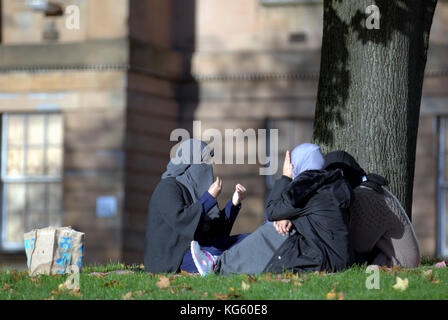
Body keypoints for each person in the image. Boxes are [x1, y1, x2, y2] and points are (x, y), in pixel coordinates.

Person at [190, 143, 355, 275]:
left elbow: (272, 210)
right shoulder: (330, 184)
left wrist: (285, 177)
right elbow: (312, 216)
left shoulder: (306, 186)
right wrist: (289, 217)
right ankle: (221, 261)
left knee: (270, 233)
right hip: (337, 257)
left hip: (322, 258)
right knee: (273, 233)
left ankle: (217, 266)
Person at [144, 138, 249, 274]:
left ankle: (215, 260)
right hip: (175, 257)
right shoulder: (168, 187)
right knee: (225, 254)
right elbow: (181, 220)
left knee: (248, 240)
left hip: (203, 248)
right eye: (203, 161)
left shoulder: (196, 190)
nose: (207, 166)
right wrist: (208, 198)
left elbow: (215, 232)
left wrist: (233, 204)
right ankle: (215, 262)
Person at [323, 151, 420, 268]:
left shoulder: (364, 196)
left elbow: (360, 244)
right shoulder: (366, 189)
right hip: (396, 256)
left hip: (399, 262)